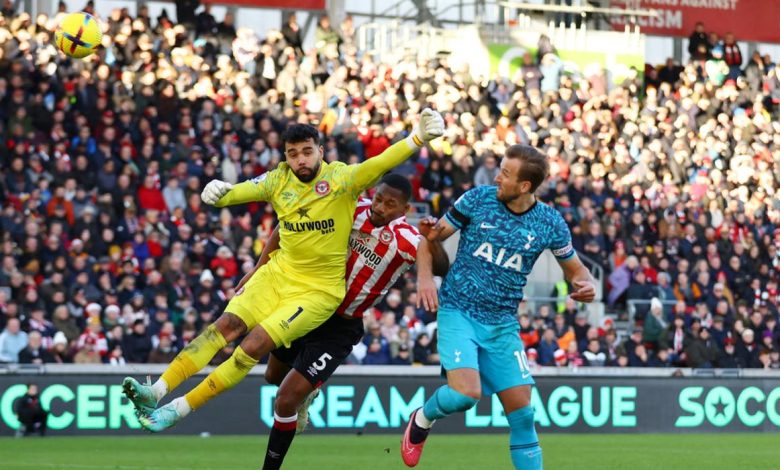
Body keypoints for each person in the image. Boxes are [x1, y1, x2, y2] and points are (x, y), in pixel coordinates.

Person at [122, 110, 444, 432]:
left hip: (317, 292)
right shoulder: (278, 180)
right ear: (285, 157)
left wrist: (417, 138)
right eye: (293, 154)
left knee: (253, 346)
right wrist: (218, 193)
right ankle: (156, 391)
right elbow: (240, 194)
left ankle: (178, 410)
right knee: (224, 327)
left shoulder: (342, 180)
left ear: (320, 151)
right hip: (278, 275)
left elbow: (381, 162)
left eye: (307, 151)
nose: (300, 160)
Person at [402, 144, 597, 469]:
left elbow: (577, 271)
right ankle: (422, 418)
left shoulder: (549, 222)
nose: (496, 177)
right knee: (465, 395)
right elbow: (431, 237)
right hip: (459, 310)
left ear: (524, 186)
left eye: (505, 173)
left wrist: (586, 285)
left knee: (524, 415)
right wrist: (424, 278)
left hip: (502, 324)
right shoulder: (478, 199)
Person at [243, 174, 448, 469]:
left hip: (341, 326)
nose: (380, 207)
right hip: (308, 305)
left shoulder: (406, 238)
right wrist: (258, 269)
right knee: (273, 377)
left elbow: (440, 265)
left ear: (404, 210)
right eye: (378, 198)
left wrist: (431, 243)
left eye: (390, 204)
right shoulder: (350, 209)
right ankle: (310, 392)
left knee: (285, 399)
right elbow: (288, 225)